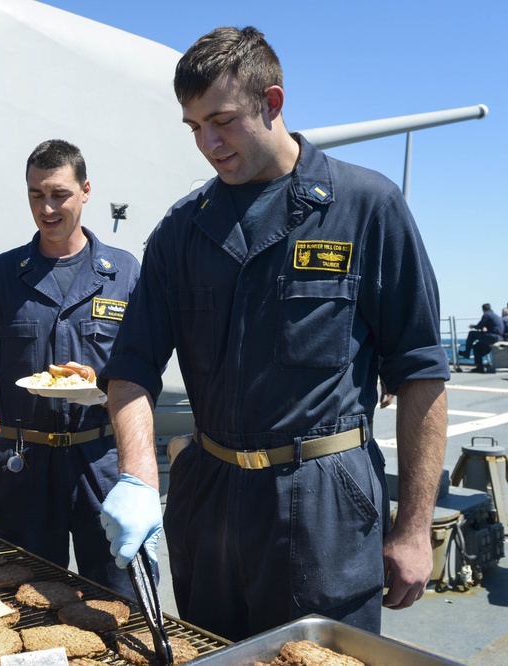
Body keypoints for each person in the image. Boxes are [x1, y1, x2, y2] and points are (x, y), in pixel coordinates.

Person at [97, 27, 449, 641]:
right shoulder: (182, 230)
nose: (207, 142)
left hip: (324, 506)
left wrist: (415, 527)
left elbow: (420, 372)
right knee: (210, 651)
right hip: (208, 498)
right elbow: (131, 366)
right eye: (193, 127)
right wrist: (136, 476)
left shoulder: (366, 206)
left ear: (273, 101)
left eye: (222, 120)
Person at [0, 140, 141, 596]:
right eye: (36, 194)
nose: (48, 207)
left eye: (59, 194)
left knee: (115, 596)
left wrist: (101, 382)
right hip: (25, 464)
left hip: (100, 460)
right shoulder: (2, 274)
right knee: (25, 594)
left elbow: (142, 362)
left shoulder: (124, 273)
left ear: (86, 191)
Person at [459, 303, 504, 371]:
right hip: (498, 337)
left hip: (493, 337)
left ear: (483, 309)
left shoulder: (487, 314)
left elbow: (480, 326)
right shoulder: (494, 315)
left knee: (471, 334)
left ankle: (467, 352)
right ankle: (479, 367)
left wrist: (473, 326)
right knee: (477, 346)